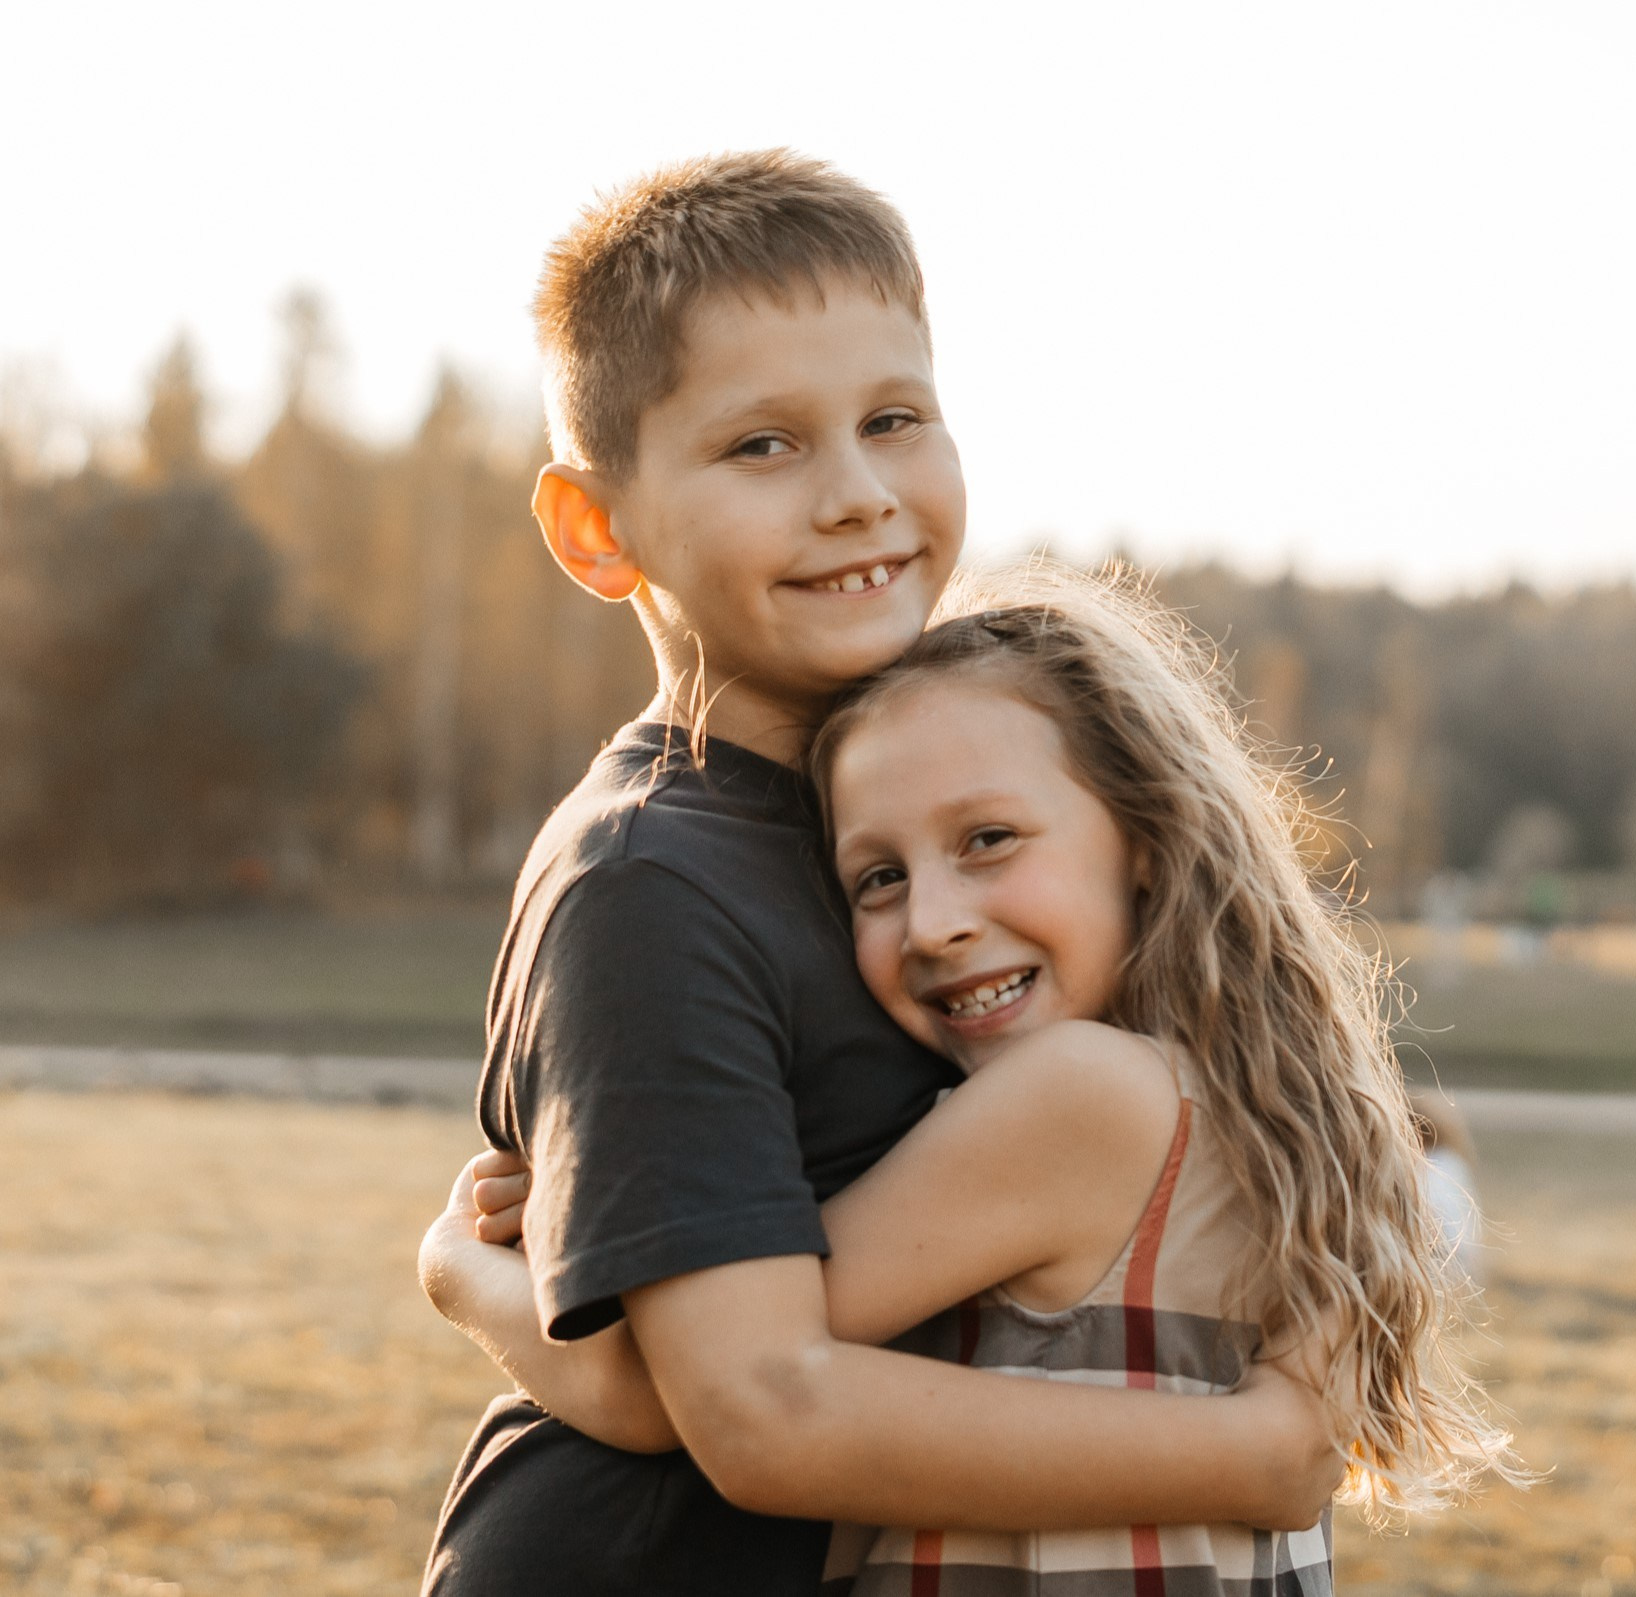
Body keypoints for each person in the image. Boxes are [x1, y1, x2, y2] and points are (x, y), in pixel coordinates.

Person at [415, 150, 1340, 1596]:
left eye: (893, 419)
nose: (854, 496)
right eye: (760, 447)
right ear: (599, 530)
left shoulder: (954, 801)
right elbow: (749, 1404)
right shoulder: (648, 879)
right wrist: (1258, 1456)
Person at [424, 572, 1522, 1593]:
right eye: (879, 877)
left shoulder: (1077, 1099)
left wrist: (463, 1268)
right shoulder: (1262, 1112)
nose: (937, 919)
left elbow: (681, 1391)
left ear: (1145, 837)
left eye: (989, 839)